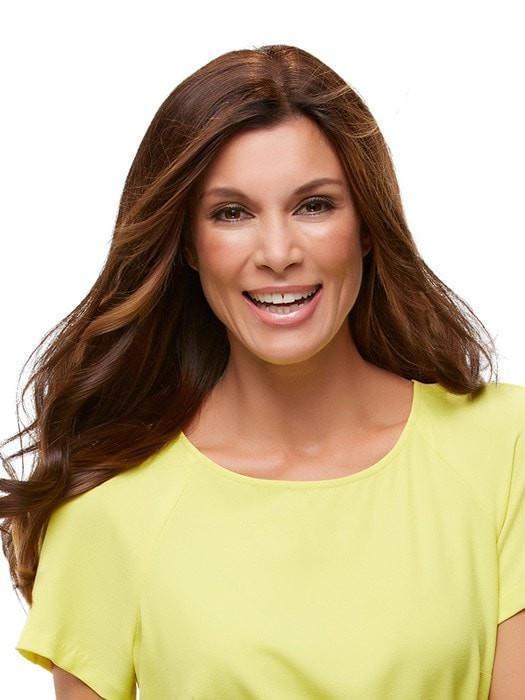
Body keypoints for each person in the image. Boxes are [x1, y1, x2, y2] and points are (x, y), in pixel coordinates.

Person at [1, 44, 524, 699]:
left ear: (366, 224)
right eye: (231, 213)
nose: (278, 252)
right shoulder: (107, 509)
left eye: (314, 205)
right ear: (189, 244)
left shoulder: (504, 448)